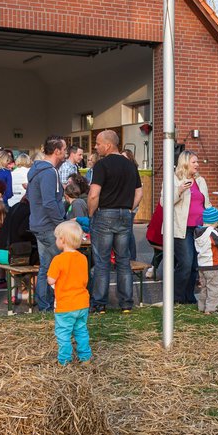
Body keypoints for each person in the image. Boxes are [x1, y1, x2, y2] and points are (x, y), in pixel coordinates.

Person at [86, 129, 142, 313]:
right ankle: (126, 303)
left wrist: (92, 214)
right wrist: (127, 208)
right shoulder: (130, 165)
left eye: (98, 143)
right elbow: (139, 192)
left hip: (104, 214)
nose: (96, 146)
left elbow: (94, 195)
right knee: (123, 260)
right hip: (125, 214)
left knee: (101, 261)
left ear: (108, 145)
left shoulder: (101, 166)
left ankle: (100, 303)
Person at [27, 136, 68, 312]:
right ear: (57, 151)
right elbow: (49, 202)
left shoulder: (39, 170)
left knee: (46, 267)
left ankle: (45, 305)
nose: (66, 153)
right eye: (65, 149)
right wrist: (62, 225)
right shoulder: (49, 172)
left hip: (39, 224)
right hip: (48, 227)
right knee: (59, 267)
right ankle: (50, 305)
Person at [47, 220, 91, 366]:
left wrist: (50, 277)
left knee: (63, 334)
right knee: (81, 331)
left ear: (63, 240)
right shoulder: (83, 258)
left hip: (65, 304)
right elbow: (84, 280)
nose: (56, 240)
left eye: (57, 238)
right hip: (82, 302)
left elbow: (51, 280)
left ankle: (64, 360)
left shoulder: (58, 260)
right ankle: (85, 357)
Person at [171, 150, 211, 305]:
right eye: (194, 161)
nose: (197, 164)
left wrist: (213, 221)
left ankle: (189, 296)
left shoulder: (200, 181)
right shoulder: (174, 180)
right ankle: (177, 297)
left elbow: (206, 203)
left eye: (197, 161)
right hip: (182, 228)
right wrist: (179, 190)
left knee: (195, 265)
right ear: (185, 162)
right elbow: (163, 202)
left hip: (199, 229)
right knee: (186, 263)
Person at [195, 206, 218, 313]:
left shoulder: (198, 232)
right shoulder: (211, 232)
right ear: (215, 221)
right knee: (213, 287)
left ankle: (201, 306)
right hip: (213, 264)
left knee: (204, 287)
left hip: (202, 264)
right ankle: (211, 309)